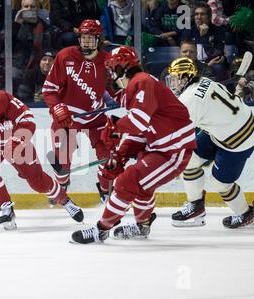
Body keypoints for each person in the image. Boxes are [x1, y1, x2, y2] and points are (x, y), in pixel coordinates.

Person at [71, 46, 197, 244]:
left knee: (126, 182)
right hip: (159, 146)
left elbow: (138, 121)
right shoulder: (137, 85)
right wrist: (121, 153)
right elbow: (141, 130)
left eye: (112, 69)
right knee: (142, 188)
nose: (111, 75)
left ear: (121, 67)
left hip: (173, 151)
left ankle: (101, 230)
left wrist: (114, 128)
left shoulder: (142, 81)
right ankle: (142, 227)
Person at [0, 73, 84, 230]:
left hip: (15, 141)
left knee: (37, 182)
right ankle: (6, 207)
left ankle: (65, 200)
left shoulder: (0, 98)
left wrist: (18, 139)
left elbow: (26, 118)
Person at [166, 57, 254, 228]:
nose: (172, 83)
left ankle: (246, 214)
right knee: (189, 160)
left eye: (175, 79)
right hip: (226, 128)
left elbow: (177, 135)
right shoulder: (204, 81)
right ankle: (196, 206)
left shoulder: (189, 100)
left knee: (220, 183)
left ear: (186, 78)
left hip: (240, 139)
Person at [42, 19, 112, 204]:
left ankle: (105, 190)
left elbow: (117, 92)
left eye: (90, 38)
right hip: (67, 119)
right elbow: (49, 89)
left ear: (99, 39)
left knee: (109, 157)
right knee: (62, 163)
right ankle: (62, 185)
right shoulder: (65, 56)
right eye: (83, 37)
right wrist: (57, 108)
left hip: (96, 118)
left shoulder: (107, 62)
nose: (85, 42)